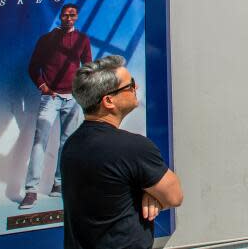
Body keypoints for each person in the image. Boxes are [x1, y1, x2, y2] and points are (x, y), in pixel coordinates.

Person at [61, 55, 183, 249]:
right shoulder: (133, 148)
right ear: (109, 101)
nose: (137, 89)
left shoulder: (72, 145)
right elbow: (175, 196)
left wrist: (151, 194)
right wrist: (154, 194)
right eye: (130, 85)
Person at [20, 3, 92, 209]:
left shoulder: (82, 40)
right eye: (66, 15)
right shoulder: (47, 40)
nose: (69, 18)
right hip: (50, 98)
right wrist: (43, 86)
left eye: (73, 15)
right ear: (60, 16)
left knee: (67, 143)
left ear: (77, 17)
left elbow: (88, 67)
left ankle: (58, 184)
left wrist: (82, 91)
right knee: (39, 142)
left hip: (73, 99)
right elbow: (33, 67)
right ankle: (31, 190)